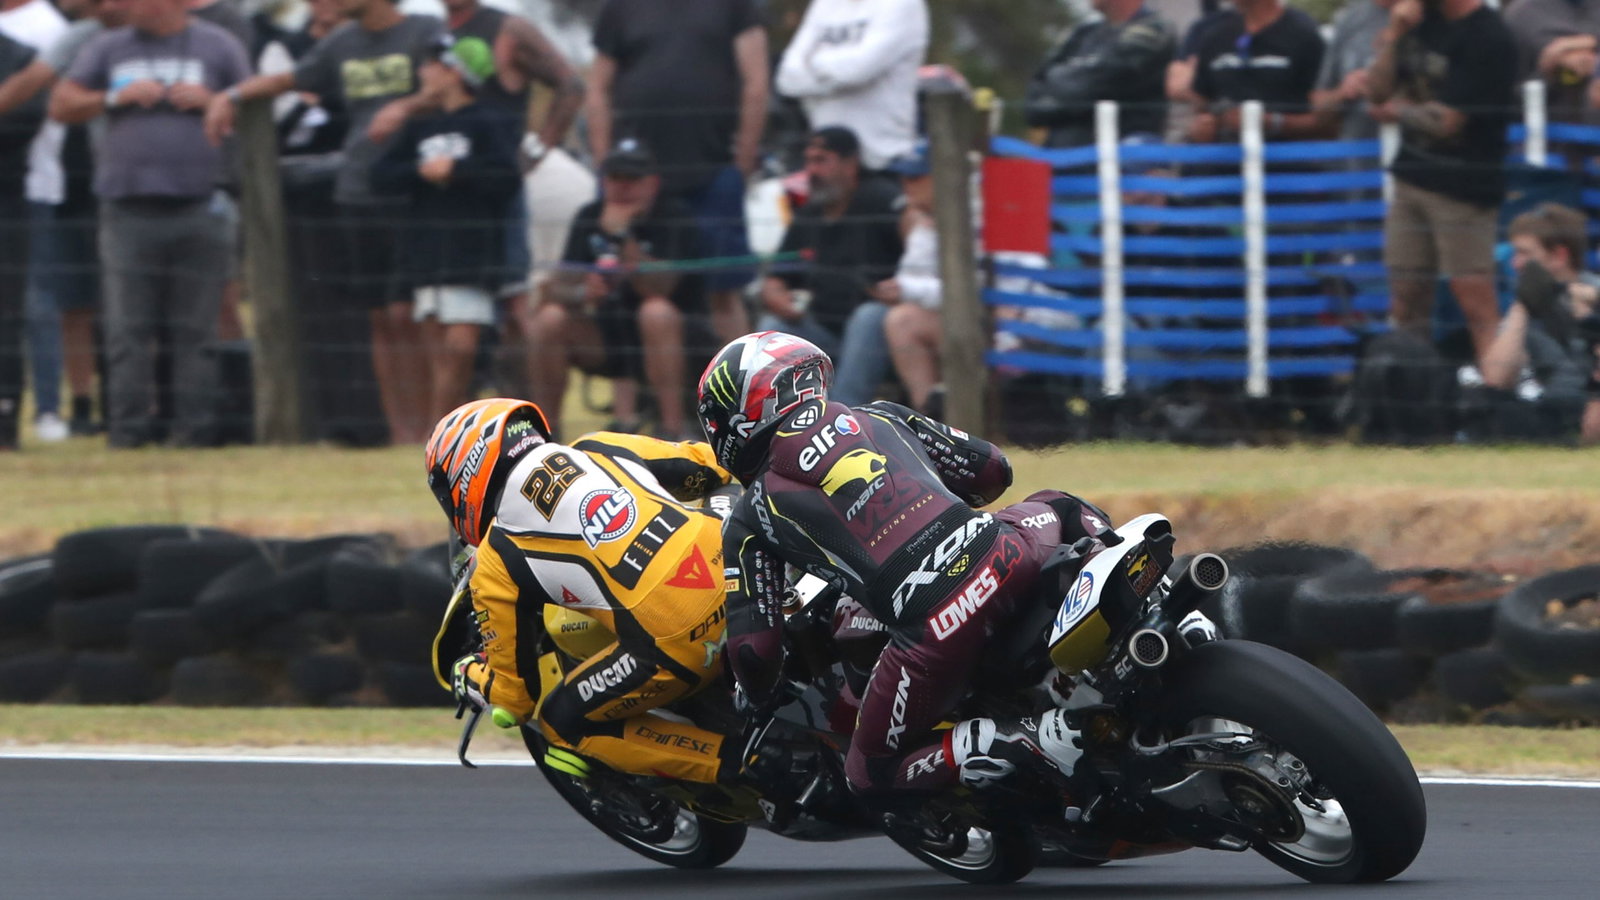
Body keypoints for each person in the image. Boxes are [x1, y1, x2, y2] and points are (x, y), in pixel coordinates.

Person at [701, 331, 1117, 800]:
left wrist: (755, 696)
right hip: (1007, 551)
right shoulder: (880, 414)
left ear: (739, 415)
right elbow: (993, 471)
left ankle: (1015, 739)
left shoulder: (748, 515)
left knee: (870, 775)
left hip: (937, 624)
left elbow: (755, 649)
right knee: (1055, 504)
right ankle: (1138, 589)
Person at [428, 397, 742, 785]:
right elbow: (716, 465)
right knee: (735, 488)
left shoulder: (497, 555)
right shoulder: (599, 445)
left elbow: (513, 700)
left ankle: (746, 765)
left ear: (464, 474)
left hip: (680, 635)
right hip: (740, 571)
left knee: (562, 723)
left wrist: (467, 674)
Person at [205, 0, 446, 445]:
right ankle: (401, 432)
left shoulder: (425, 31)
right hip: (357, 190)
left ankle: (436, 430)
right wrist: (231, 96)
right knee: (379, 317)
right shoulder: (342, 42)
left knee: (411, 315)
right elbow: (287, 80)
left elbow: (453, 85)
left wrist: (404, 108)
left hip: (414, 192)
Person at [50, 0, 250, 448]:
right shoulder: (107, 46)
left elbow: (254, 107)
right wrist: (112, 97)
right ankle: (128, 431)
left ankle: (194, 431)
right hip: (126, 208)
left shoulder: (218, 45)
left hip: (202, 203)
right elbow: (62, 104)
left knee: (196, 329)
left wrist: (214, 101)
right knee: (127, 329)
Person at [588, 0, 766, 344]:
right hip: (634, 177)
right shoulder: (620, 8)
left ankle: (747, 389)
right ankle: (640, 394)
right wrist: (603, 163)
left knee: (722, 291)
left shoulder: (736, 6)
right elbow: (597, 88)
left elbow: (756, 81)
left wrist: (743, 159)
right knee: (626, 289)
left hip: (712, 169)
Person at [370, 35, 519, 424]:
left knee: (460, 346)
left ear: (454, 72)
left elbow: (506, 178)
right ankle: (441, 430)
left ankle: (442, 431)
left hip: (471, 254)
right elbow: (380, 175)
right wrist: (421, 172)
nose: (423, 72)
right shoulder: (420, 126)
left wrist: (457, 171)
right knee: (435, 348)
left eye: (432, 63)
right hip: (425, 253)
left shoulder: (486, 121)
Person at [1368, 0, 1517, 371]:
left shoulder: (1489, 36)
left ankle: (1497, 396)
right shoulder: (1419, 23)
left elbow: (1449, 121)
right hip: (1411, 177)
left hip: (1462, 187)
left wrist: (1401, 111)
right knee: (1406, 298)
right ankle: (1413, 400)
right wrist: (1395, 36)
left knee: (1474, 298)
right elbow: (1376, 91)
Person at [441, 0, 583, 382]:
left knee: (516, 304)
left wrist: (536, 149)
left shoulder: (508, 29)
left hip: (500, 189)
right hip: (446, 191)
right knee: (448, 311)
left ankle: (532, 417)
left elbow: (570, 85)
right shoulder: (429, 28)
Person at [529, 138, 707, 440]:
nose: (622, 188)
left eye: (632, 180)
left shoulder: (674, 217)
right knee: (549, 320)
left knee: (655, 312)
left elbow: (659, 288)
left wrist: (624, 238)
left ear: (652, 183)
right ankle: (546, 433)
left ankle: (673, 430)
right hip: (608, 337)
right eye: (614, 179)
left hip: (678, 341)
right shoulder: (589, 215)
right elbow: (558, 285)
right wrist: (583, 291)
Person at [760, 126, 903, 407]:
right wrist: (775, 295)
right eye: (808, 161)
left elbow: (918, 258)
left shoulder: (881, 200)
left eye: (822, 160)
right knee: (771, 328)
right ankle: (774, 421)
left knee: (868, 317)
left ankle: (842, 418)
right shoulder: (809, 213)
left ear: (851, 165)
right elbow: (778, 276)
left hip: (881, 334)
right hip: (821, 330)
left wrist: (901, 288)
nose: (811, 170)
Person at [1471, 203, 1596, 440]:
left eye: (1524, 254)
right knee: (1488, 406)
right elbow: (1496, 380)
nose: (1515, 264)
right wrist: (1521, 308)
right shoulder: (1527, 304)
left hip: (1591, 406)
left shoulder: (1594, 292)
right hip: (1551, 412)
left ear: (1559, 256)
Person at [775, 0, 928, 171]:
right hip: (827, 164)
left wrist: (814, 62)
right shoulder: (824, 5)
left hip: (882, 159)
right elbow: (786, 79)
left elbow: (859, 69)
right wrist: (840, 76)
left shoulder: (902, 4)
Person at [1022, 0, 1175, 148]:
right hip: (1063, 162)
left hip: (1121, 162)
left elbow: (1105, 81)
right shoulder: (1083, 33)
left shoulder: (1153, 31)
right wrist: (1077, 90)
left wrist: (1060, 90)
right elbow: (1034, 100)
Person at [1186, 0, 1329, 143]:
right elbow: (1200, 107)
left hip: (1286, 159)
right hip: (1224, 158)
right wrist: (1201, 127)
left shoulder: (1305, 37)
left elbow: (1328, 122)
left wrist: (1271, 122)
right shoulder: (1215, 38)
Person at [0, 28, 42, 450]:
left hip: (5, 205)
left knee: (4, 319)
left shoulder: (20, 57)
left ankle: (4, 418)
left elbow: (23, 122)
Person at [879, 142, 944, 414]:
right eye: (903, 177)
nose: (906, 184)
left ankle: (929, 419)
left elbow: (973, 291)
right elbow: (911, 276)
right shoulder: (923, 222)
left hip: (1011, 322)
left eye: (915, 177)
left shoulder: (977, 210)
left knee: (901, 320)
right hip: (944, 317)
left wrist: (905, 288)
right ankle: (929, 416)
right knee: (877, 316)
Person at [1505, 0, 1600, 126]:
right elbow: (1502, 96)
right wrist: (1548, 69)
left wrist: (1590, 47)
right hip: (1543, 132)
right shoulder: (1522, 14)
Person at [1310, 0, 1394, 141]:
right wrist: (1343, 92)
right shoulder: (1350, 17)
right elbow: (1318, 109)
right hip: (1354, 156)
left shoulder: (1430, 15)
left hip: (1417, 158)